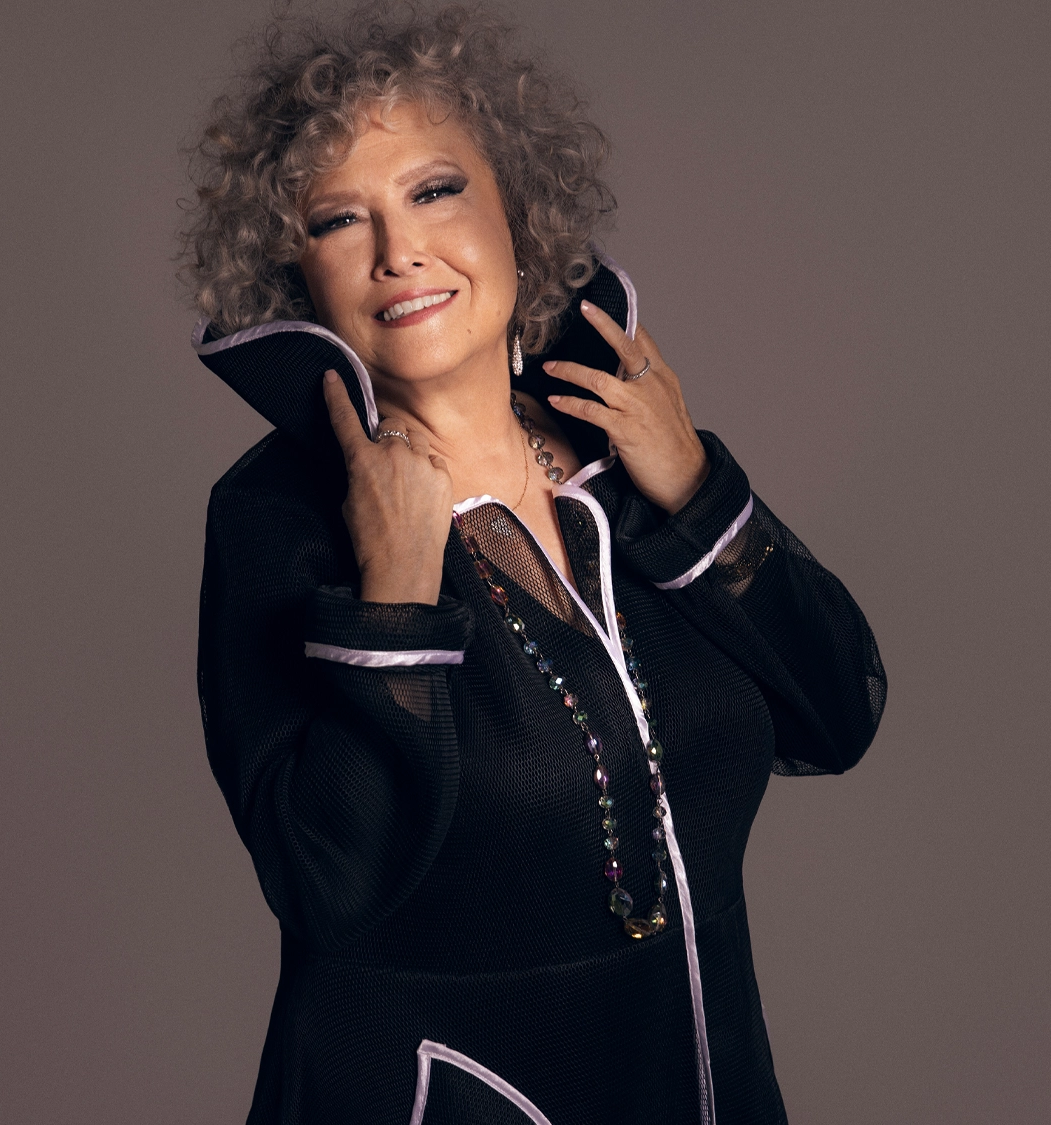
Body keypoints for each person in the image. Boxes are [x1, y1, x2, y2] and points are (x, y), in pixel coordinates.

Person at [185, 5, 885, 1122]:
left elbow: (836, 713)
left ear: (516, 205)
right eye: (336, 220)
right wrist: (396, 591)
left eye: (432, 190)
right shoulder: (279, 520)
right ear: (294, 273)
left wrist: (696, 488)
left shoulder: (621, 458)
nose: (396, 250)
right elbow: (324, 880)